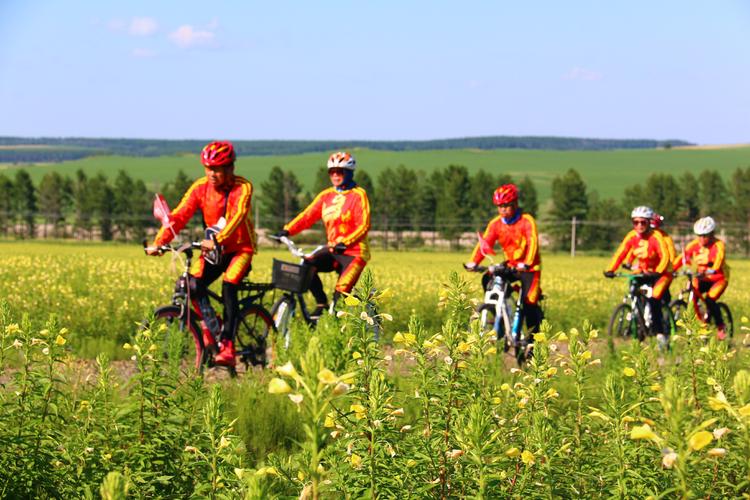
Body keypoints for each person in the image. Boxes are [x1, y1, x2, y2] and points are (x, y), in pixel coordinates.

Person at [147, 141, 256, 367]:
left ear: (230, 168)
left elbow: (237, 217)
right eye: (208, 168)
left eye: (217, 169)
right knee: (190, 284)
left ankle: (227, 345)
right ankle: (211, 325)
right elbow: (178, 216)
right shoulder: (200, 187)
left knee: (229, 284)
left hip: (240, 249)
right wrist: (159, 243)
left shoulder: (242, 187)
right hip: (213, 250)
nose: (212, 174)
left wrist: (217, 239)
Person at [275, 151, 371, 316]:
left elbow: (364, 225)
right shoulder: (326, 195)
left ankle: (339, 324)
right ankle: (321, 304)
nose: (335, 175)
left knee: (341, 290)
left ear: (349, 173)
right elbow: (307, 216)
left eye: (339, 171)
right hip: (333, 249)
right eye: (332, 172)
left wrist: (346, 242)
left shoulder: (358, 195)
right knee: (307, 265)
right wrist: (287, 230)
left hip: (354, 252)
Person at [464, 183, 543, 336]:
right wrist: (474, 262)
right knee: (488, 279)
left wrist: (527, 263)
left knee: (529, 302)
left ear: (515, 204)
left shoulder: (526, 221)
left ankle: (534, 343)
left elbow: (533, 241)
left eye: (506, 205)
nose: (503, 209)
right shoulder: (496, 224)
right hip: (510, 266)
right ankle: (499, 313)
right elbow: (485, 243)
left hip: (529, 269)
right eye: (499, 206)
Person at [604, 206, 672, 336]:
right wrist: (610, 269)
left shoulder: (656, 237)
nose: (639, 225)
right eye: (636, 222)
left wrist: (658, 271)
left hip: (660, 274)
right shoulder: (631, 236)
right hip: (643, 272)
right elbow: (620, 253)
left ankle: (660, 334)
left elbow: (665, 256)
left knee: (654, 300)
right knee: (634, 289)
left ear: (649, 222)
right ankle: (639, 325)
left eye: (643, 222)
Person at [673, 216, 730, 339]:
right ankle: (701, 322)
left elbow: (719, 261)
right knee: (692, 293)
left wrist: (712, 269)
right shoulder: (693, 245)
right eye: (699, 235)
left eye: (705, 235)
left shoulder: (718, 245)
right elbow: (682, 258)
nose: (702, 239)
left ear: (712, 234)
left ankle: (721, 326)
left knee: (710, 299)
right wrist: (671, 270)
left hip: (719, 278)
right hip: (702, 277)